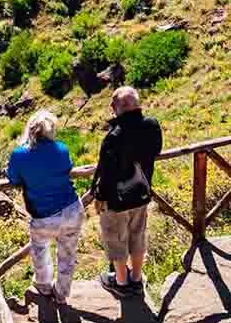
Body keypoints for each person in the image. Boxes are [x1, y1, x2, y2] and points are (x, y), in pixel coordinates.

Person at [8, 110, 85, 305]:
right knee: (67, 253)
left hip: (43, 215)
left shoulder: (19, 154)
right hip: (71, 208)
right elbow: (67, 168)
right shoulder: (61, 149)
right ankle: (61, 293)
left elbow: (14, 178)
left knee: (40, 248)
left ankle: (43, 286)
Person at [93, 86, 163, 299]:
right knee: (137, 235)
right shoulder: (152, 125)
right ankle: (136, 278)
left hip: (117, 199)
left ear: (114, 107)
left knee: (116, 239)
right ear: (137, 104)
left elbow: (106, 173)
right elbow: (156, 150)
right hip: (141, 192)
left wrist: (99, 197)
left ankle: (121, 283)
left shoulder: (114, 136)